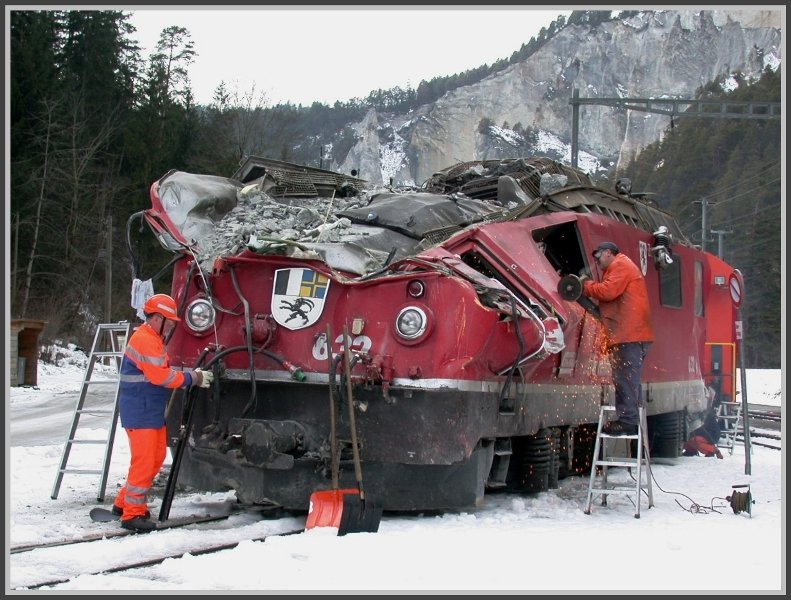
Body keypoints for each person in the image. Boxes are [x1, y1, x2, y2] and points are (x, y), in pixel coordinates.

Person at [112, 293, 214, 532]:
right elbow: (161, 377)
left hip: (149, 410)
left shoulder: (152, 339)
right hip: (141, 410)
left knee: (155, 458)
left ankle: (122, 503)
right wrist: (194, 377)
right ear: (156, 318)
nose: (171, 325)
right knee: (145, 461)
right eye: (168, 321)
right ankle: (132, 515)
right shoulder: (146, 340)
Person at [581, 241, 654, 436]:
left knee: (625, 378)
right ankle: (629, 417)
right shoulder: (620, 266)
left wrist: (585, 286)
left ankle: (628, 421)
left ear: (607, 253)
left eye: (598, 257)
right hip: (628, 333)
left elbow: (607, 292)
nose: (596, 262)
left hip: (629, 334)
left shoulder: (621, 265)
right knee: (626, 378)